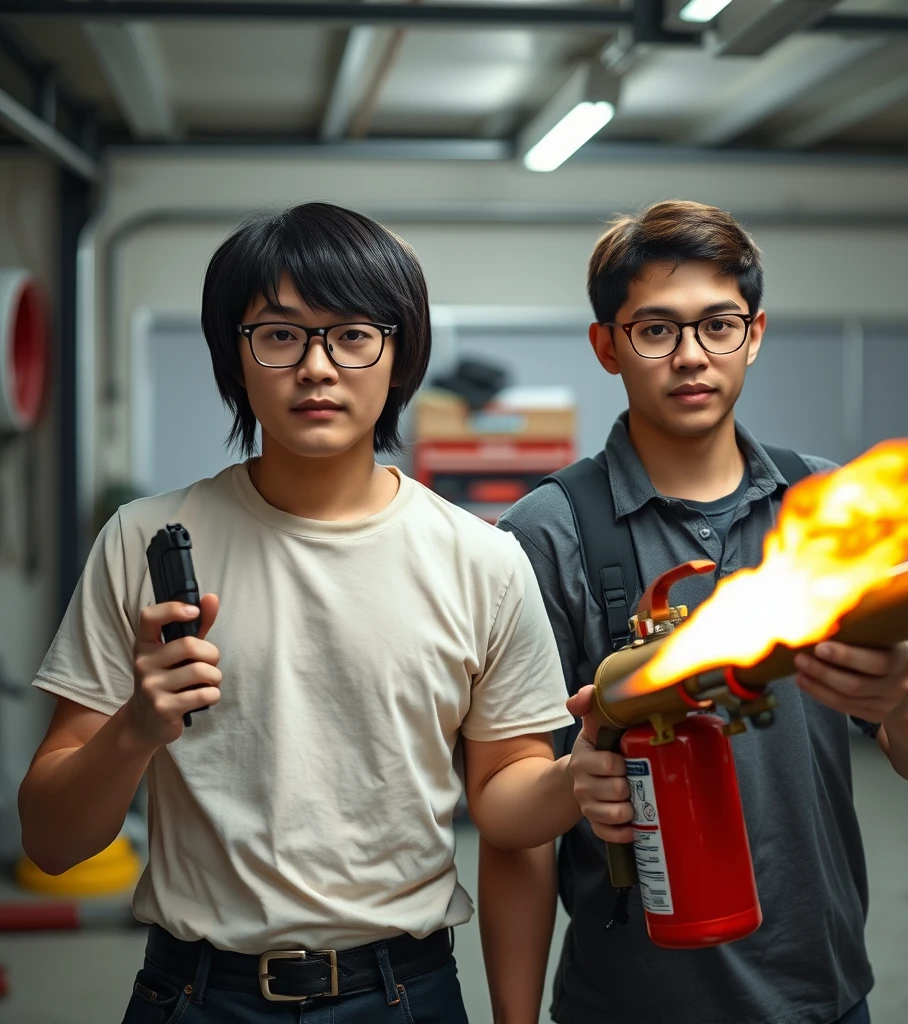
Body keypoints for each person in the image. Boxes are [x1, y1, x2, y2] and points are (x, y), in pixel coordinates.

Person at [18, 202, 581, 1023]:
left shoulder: (483, 560)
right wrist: (136, 726)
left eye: (353, 334)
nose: (317, 366)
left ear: (399, 355)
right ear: (235, 360)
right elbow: (52, 842)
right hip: (194, 994)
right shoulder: (140, 540)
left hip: (403, 993)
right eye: (280, 335)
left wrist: (583, 770)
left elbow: (506, 806)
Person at [482, 200, 908, 1024]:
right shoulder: (549, 532)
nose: (690, 357)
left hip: (822, 995)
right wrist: (575, 782)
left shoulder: (827, 510)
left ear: (755, 334)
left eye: (718, 325)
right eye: (655, 330)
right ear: (607, 344)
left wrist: (906, 697)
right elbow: (508, 814)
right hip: (631, 1003)